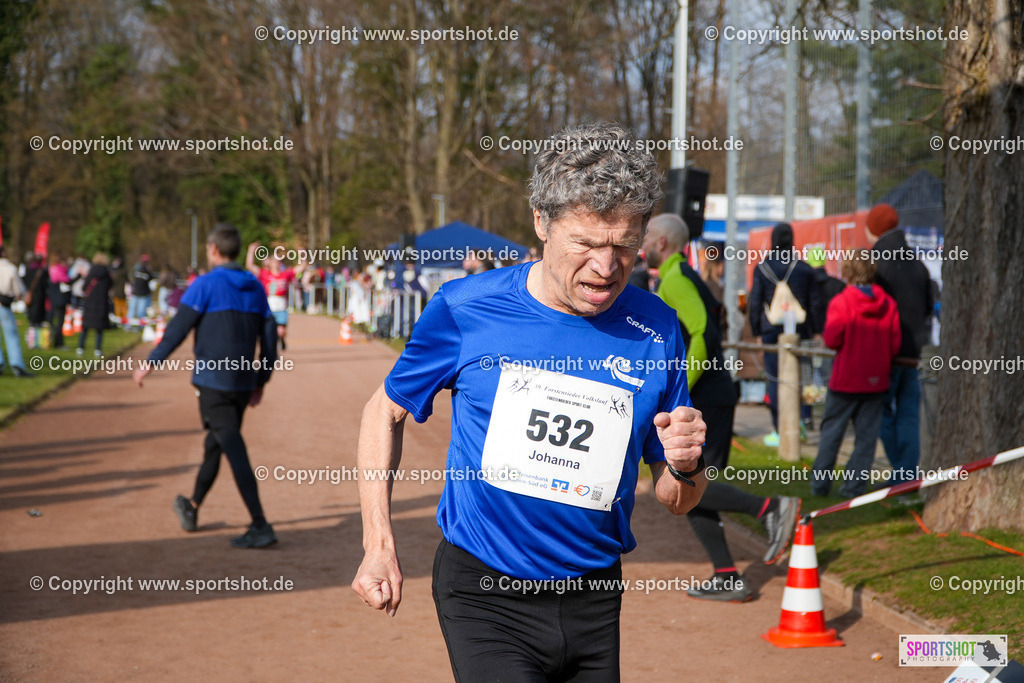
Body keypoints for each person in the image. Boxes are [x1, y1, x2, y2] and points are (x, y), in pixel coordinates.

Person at [352, 122, 708, 680]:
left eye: (622, 246)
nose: (606, 267)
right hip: (485, 593)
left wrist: (687, 466)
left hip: (595, 596)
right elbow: (384, 410)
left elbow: (677, 499)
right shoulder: (467, 309)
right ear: (541, 223)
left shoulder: (656, 328)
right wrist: (378, 542)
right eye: (586, 244)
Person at [643, 213, 799, 601]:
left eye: (644, 236)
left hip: (707, 397)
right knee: (687, 483)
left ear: (661, 242)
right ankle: (728, 576)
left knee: (692, 481)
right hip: (714, 395)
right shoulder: (681, 275)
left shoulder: (676, 279)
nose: (639, 244)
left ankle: (771, 506)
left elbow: (704, 333)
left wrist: (682, 388)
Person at [134, 223, 279, 549]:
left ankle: (260, 523)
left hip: (214, 380)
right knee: (217, 441)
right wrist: (261, 379)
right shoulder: (255, 286)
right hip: (241, 382)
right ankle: (193, 504)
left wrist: (151, 362)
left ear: (213, 249)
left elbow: (178, 328)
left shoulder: (205, 284)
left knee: (231, 443)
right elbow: (269, 339)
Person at [811, 253, 901, 497]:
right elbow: (894, 346)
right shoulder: (889, 304)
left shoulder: (842, 302)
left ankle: (820, 486)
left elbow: (831, 339)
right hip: (876, 381)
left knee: (832, 434)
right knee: (866, 439)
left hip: (846, 380)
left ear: (847, 272)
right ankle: (854, 487)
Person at [866, 203, 933, 484]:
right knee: (909, 414)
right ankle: (906, 473)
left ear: (874, 229)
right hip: (915, 351)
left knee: (879, 410)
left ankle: (901, 471)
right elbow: (929, 305)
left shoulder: (876, 262)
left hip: (886, 352)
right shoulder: (917, 262)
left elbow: (870, 307)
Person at [748, 223, 822, 446]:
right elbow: (814, 303)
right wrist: (817, 330)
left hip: (771, 331)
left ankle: (780, 429)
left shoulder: (762, 268)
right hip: (800, 331)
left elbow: (755, 302)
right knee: (802, 377)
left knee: (775, 378)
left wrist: (757, 331)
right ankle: (802, 421)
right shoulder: (804, 268)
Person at [246, 243, 304, 351]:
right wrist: (251, 251)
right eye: (274, 261)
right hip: (269, 307)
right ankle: (272, 349)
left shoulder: (285, 274)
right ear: (271, 263)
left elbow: (301, 268)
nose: (276, 263)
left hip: (281, 307)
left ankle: (280, 340)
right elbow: (250, 266)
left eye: (278, 261)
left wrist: (302, 254)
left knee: (281, 332)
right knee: (269, 331)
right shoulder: (265, 274)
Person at [0, 246, 32, 376]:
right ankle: (17, 365)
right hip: (4, 305)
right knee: (11, 336)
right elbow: (18, 290)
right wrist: (21, 297)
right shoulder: (11, 268)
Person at [78, 253, 112, 356]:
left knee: (85, 327)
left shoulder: (91, 273)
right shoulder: (107, 274)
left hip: (90, 303)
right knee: (99, 329)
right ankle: (98, 349)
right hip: (102, 303)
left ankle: (80, 347)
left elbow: (84, 288)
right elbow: (110, 286)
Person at [21, 252, 49, 349]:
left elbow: (24, 280)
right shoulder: (42, 271)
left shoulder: (28, 269)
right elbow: (46, 285)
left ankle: (31, 342)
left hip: (30, 297)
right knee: (39, 322)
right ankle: (38, 342)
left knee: (32, 321)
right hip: (39, 298)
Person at [47, 252, 73, 349]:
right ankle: (58, 343)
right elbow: (68, 281)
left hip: (53, 299)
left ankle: (52, 341)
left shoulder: (51, 269)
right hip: (59, 299)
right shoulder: (58, 270)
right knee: (59, 322)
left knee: (54, 321)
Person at [129, 254, 154, 326]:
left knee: (138, 311)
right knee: (136, 311)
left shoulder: (140, 269)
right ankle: (131, 325)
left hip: (140, 293)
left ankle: (137, 326)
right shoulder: (139, 269)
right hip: (139, 293)